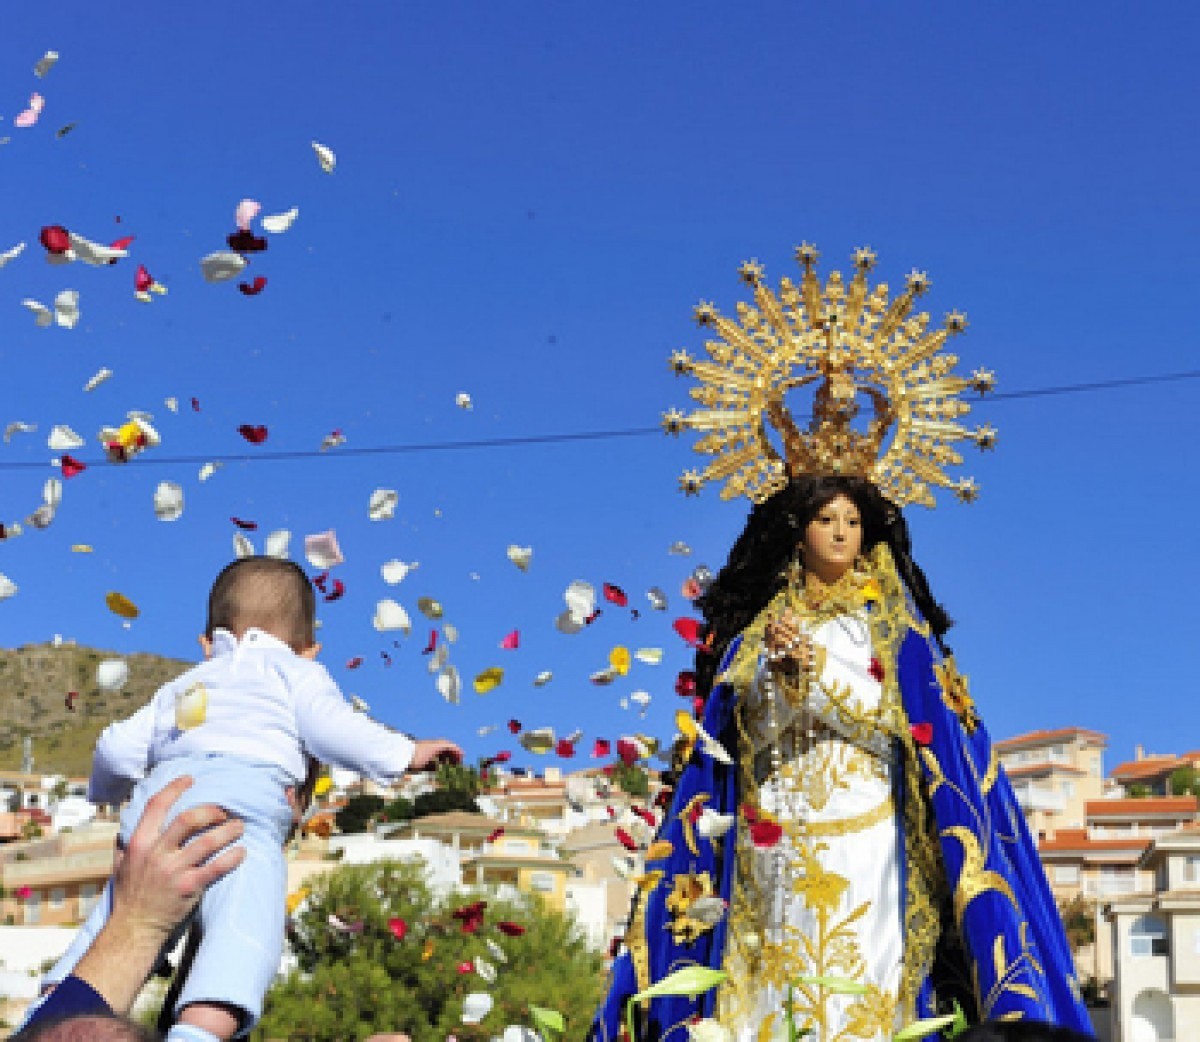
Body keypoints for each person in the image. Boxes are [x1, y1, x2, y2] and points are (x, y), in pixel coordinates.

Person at [589, 248, 1094, 1040]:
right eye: (827, 518)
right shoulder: (762, 624)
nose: (841, 531)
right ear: (799, 529)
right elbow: (735, 729)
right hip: (775, 826)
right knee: (770, 985)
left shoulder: (888, 626)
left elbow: (896, 718)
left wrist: (814, 668)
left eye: (853, 521)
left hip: (866, 826)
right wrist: (771, 671)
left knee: (861, 984)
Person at [42, 556, 463, 1042]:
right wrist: (406, 754)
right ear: (309, 649)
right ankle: (198, 1031)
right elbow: (335, 729)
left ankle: (53, 1008)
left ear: (207, 643)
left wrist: (107, 794)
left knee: (112, 924)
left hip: (158, 813)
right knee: (242, 935)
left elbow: (116, 749)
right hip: (241, 814)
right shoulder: (297, 673)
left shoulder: (183, 686)